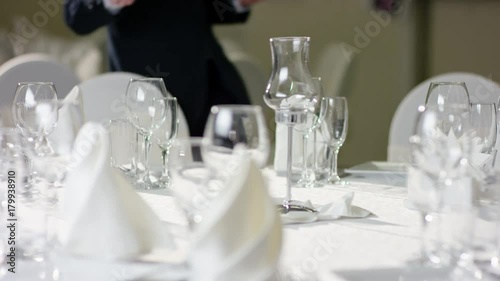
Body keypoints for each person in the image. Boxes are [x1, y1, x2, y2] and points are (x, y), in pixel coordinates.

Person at [64, 0, 261, 136]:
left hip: (212, 86)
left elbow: (207, 7)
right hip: (146, 94)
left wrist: (237, 2)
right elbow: (75, 15)